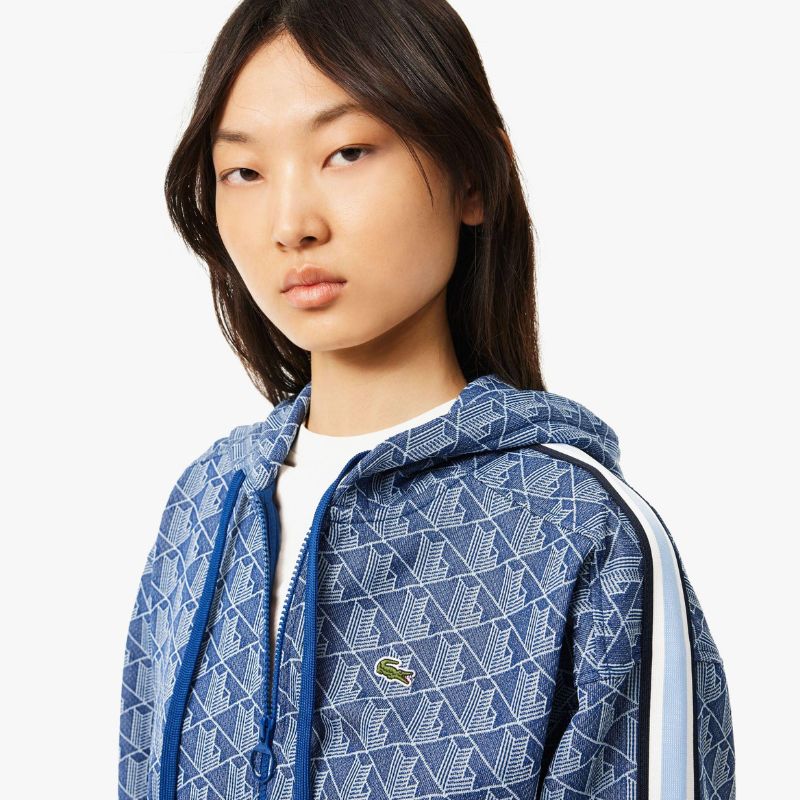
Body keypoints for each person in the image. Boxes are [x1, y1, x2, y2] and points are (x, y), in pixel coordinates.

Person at [118, 2, 736, 799]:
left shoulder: (580, 534)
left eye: (346, 152)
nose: (291, 224)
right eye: (244, 172)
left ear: (473, 177)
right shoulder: (206, 505)